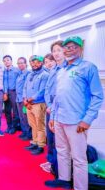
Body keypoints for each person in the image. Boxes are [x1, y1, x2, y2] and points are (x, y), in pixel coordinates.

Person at [45, 36, 104, 190]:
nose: (69, 50)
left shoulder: (88, 67)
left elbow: (97, 96)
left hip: (77, 121)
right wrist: (53, 117)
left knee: (79, 158)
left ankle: (80, 187)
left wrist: (87, 120)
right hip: (59, 119)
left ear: (81, 49)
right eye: (67, 47)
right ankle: (64, 179)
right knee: (62, 151)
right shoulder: (62, 69)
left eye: (73, 47)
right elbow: (58, 96)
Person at [41, 41, 66, 173]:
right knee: (50, 137)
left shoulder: (66, 69)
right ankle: (51, 161)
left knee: (58, 140)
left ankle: (58, 167)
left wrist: (53, 107)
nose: (56, 53)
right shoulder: (53, 70)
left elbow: (60, 92)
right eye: (54, 51)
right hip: (50, 108)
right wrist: (49, 106)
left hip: (60, 110)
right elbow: (47, 90)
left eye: (58, 50)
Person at [23, 55, 49, 155]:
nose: (34, 64)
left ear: (41, 63)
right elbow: (25, 87)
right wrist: (25, 99)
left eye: (37, 62)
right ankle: (34, 142)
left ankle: (41, 145)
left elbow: (42, 90)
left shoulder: (45, 75)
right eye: (33, 62)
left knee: (40, 125)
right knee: (33, 125)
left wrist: (30, 99)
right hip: (28, 104)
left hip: (39, 104)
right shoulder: (30, 74)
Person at [3, 55, 20, 134]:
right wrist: (5, 93)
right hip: (6, 93)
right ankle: (9, 126)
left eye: (8, 60)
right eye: (5, 61)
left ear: (11, 61)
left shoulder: (17, 70)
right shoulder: (4, 71)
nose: (6, 62)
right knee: (7, 111)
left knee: (15, 111)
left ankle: (14, 127)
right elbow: (4, 83)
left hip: (14, 92)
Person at [15, 57, 31, 140]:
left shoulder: (28, 73)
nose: (20, 65)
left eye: (22, 63)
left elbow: (27, 87)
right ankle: (24, 132)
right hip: (18, 98)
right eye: (18, 63)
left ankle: (28, 134)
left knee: (25, 117)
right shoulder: (19, 73)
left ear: (26, 64)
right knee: (21, 116)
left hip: (24, 99)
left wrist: (26, 98)